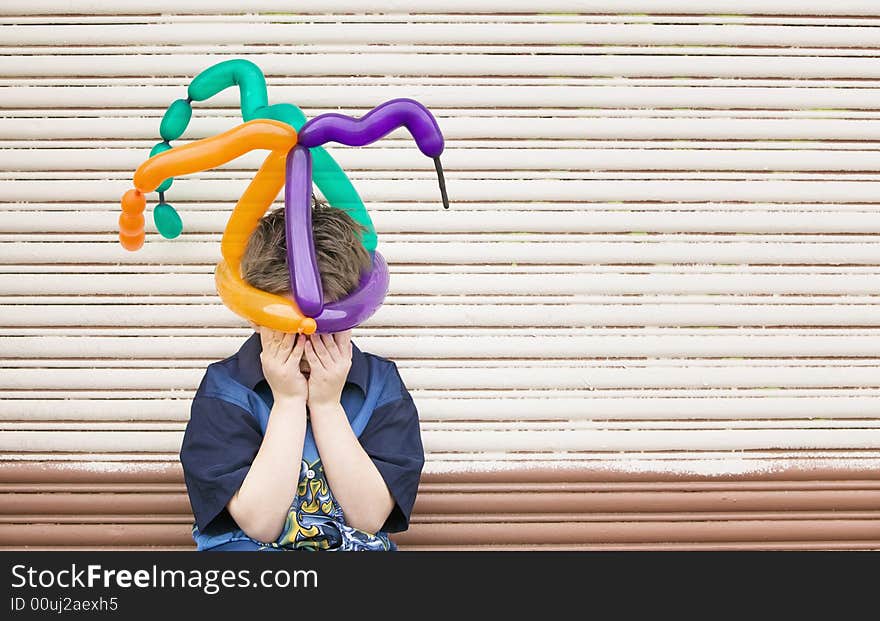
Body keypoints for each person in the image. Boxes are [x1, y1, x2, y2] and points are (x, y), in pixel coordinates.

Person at [179, 200, 424, 551]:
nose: (308, 343)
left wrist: (326, 405)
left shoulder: (382, 385)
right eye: (288, 327)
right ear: (256, 317)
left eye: (326, 327)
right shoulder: (225, 388)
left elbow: (370, 519)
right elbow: (260, 523)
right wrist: (289, 401)